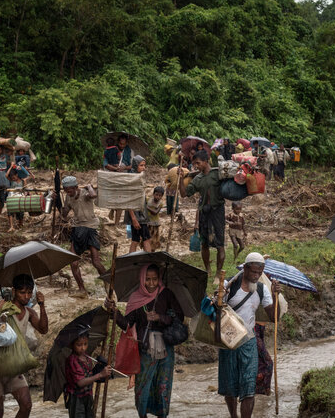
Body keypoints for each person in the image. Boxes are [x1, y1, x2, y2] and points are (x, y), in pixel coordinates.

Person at [107, 264, 184, 418]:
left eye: (154, 279)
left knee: (163, 385)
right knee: (142, 386)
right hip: (145, 349)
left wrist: (160, 317)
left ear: (159, 279)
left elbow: (179, 317)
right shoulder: (136, 298)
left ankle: (162, 415)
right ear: (142, 280)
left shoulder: (166, 294)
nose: (151, 283)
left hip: (165, 348)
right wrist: (114, 312)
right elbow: (127, 324)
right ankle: (142, 415)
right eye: (147, 279)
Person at [219, 253, 279, 418]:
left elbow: (274, 317)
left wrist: (275, 295)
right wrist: (219, 296)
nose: (256, 276)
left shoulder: (261, 289)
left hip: (249, 341)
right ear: (245, 269)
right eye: (253, 272)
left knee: (249, 386)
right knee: (230, 385)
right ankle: (233, 415)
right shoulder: (229, 285)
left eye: (259, 273)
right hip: (228, 340)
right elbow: (215, 311)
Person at [0, 274, 48, 418]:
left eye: (29, 292)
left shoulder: (29, 312)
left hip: (14, 366)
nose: (26, 296)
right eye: (22, 292)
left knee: (26, 405)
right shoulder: (3, 309)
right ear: (14, 292)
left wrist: (42, 305)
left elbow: (43, 329)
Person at [59, 176, 107, 293]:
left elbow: (93, 195)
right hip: (77, 228)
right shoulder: (68, 197)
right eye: (66, 191)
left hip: (90, 228)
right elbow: (64, 214)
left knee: (96, 262)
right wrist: (58, 202)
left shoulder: (85, 193)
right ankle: (82, 289)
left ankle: (108, 282)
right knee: (73, 262)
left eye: (70, 190)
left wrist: (90, 187)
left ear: (76, 187)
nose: (68, 193)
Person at [185, 150, 226, 278]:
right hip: (204, 212)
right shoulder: (198, 178)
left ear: (205, 161)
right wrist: (181, 178)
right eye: (194, 163)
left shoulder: (217, 174)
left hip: (217, 211)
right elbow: (184, 193)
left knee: (219, 243)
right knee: (204, 243)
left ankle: (218, 273)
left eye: (198, 163)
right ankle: (207, 269)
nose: (196, 166)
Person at [64, 330, 112, 418]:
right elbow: (80, 382)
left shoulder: (87, 358)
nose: (83, 348)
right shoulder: (72, 360)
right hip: (76, 399)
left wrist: (100, 368)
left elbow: (89, 375)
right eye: (79, 345)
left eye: (85, 344)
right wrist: (100, 375)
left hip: (88, 395)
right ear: (72, 345)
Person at [105, 135, 134, 225]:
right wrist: (114, 168)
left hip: (124, 177)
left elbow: (133, 165)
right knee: (114, 198)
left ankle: (116, 223)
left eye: (124, 144)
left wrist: (125, 167)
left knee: (120, 200)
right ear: (118, 142)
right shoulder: (110, 150)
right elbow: (105, 163)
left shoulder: (130, 151)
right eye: (120, 144)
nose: (122, 146)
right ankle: (112, 210)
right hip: (113, 177)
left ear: (127, 143)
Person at [126, 156, 152, 253]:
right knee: (145, 239)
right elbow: (129, 200)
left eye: (144, 165)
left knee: (136, 239)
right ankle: (148, 261)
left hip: (140, 214)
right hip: (137, 215)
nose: (143, 168)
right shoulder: (132, 179)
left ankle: (134, 260)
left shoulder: (138, 177)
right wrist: (133, 218)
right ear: (136, 165)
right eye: (141, 165)